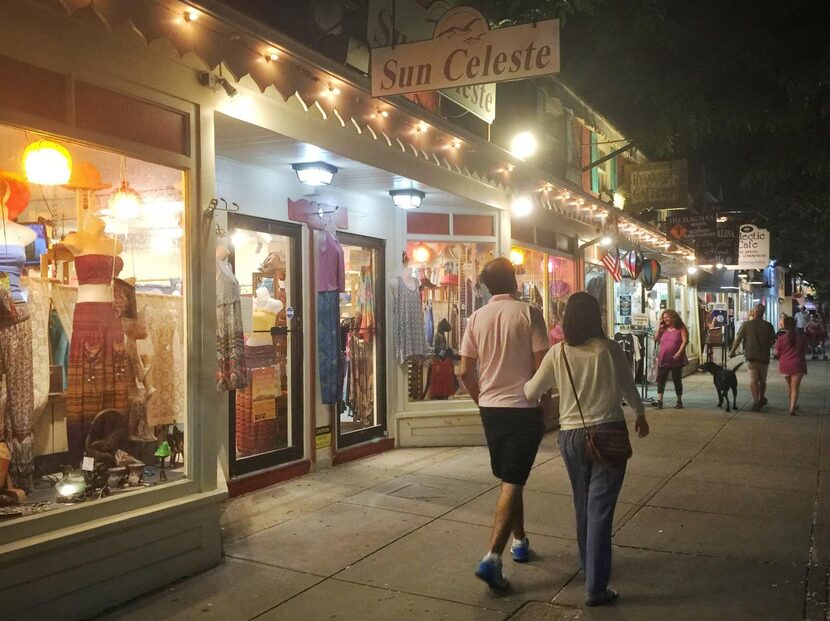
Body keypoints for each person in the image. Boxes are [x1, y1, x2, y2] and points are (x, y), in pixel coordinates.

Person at [525, 292, 649, 607]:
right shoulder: (609, 349)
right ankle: (596, 586)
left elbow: (530, 391)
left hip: (571, 438)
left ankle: (588, 564)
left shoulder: (557, 353)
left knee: (583, 506)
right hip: (609, 434)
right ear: (597, 317)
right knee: (600, 512)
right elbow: (628, 386)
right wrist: (641, 415)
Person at [459, 257, 549, 590]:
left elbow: (464, 371)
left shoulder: (476, 318)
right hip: (523, 408)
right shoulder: (529, 313)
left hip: (491, 408)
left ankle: (520, 541)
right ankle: (492, 558)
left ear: (485, 286)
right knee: (513, 478)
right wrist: (544, 404)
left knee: (512, 476)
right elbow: (544, 367)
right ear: (514, 282)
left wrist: (480, 397)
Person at [729, 303, 776, 411]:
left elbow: (738, 339)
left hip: (751, 356)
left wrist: (732, 351)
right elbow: (773, 341)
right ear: (763, 313)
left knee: (753, 380)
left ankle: (756, 401)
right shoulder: (768, 326)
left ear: (754, 311)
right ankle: (761, 397)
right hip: (764, 357)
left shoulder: (746, 325)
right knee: (762, 380)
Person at [653, 309, 688, 409]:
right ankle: (660, 400)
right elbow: (656, 338)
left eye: (667, 317)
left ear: (673, 317)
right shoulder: (663, 328)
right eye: (664, 317)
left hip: (676, 359)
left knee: (676, 379)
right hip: (664, 358)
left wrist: (679, 353)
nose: (665, 319)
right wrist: (659, 329)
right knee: (661, 379)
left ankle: (679, 400)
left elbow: (685, 341)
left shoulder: (680, 328)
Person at [775, 316, 808, 416]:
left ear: (784, 325)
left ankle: (792, 403)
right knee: (795, 387)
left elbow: (776, 353)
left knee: (790, 386)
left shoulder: (781, 338)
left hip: (785, 364)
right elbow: (805, 350)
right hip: (798, 364)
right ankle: (792, 407)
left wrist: (781, 357)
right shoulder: (801, 338)